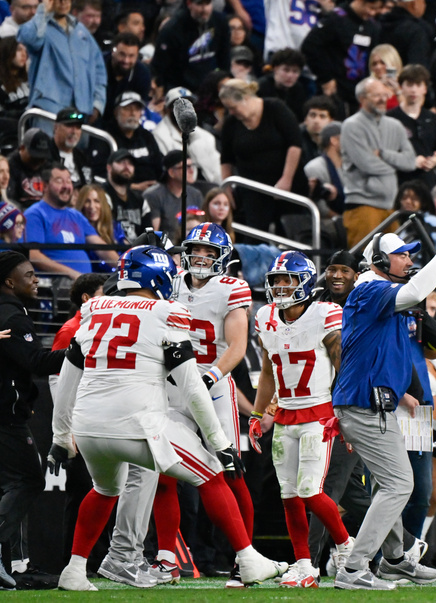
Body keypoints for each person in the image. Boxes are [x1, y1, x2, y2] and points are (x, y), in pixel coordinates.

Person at [48, 245, 288, 591]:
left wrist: (60, 436)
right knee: (212, 474)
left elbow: (69, 371)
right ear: (158, 276)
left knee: (104, 489)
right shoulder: (166, 311)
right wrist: (219, 443)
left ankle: (74, 569)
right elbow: (191, 386)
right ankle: (249, 560)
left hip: (88, 426)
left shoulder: (93, 308)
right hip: (139, 424)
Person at [331, 229, 436, 589]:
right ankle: (354, 568)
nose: (410, 261)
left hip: (376, 405)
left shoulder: (385, 295)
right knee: (401, 484)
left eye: (412, 255)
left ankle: (395, 559)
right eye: (403, 255)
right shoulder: (369, 289)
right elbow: (414, 292)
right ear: (380, 261)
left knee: (392, 484)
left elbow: (413, 347)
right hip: (362, 406)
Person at [248, 251, 354, 588]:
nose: (280, 286)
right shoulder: (265, 316)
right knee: (288, 494)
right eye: (276, 280)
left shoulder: (325, 313)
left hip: (319, 413)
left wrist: (344, 412)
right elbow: (267, 370)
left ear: (305, 282)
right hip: (285, 416)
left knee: (310, 490)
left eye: (287, 279)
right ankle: (304, 564)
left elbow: (343, 365)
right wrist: (256, 412)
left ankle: (345, 545)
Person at [0, 252, 54, 588]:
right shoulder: (11, 315)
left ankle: (15, 565)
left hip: (10, 411)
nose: (36, 280)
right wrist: (79, 354)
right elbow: (34, 360)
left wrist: (28, 399)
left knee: (13, 484)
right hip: (5, 417)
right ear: (9, 281)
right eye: (30, 275)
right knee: (28, 480)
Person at [219, 79, 303, 233]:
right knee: (256, 233)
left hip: (286, 184)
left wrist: (286, 179)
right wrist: (227, 188)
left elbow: (295, 144)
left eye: (233, 107)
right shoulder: (231, 123)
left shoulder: (275, 108)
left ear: (245, 99)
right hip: (252, 189)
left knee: (290, 232)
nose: (231, 112)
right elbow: (226, 159)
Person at [340, 77, 417, 245]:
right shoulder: (351, 126)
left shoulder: (395, 125)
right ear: (362, 98)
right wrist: (396, 166)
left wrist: (383, 154)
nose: (383, 99)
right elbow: (367, 164)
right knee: (363, 262)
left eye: (385, 95)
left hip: (391, 207)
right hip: (362, 206)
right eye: (376, 95)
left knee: (393, 264)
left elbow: (410, 162)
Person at [19, 0, 106, 119]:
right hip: (48, 110)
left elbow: (99, 70)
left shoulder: (81, 31)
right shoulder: (41, 27)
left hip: (81, 110)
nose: (64, 2)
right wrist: (43, 9)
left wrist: (97, 104)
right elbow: (29, 39)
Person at [301, 0, 385, 111]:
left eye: (376, 10)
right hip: (335, 93)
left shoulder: (373, 27)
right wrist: (325, 78)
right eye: (371, 8)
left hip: (359, 94)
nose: (372, 13)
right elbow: (310, 46)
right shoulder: (335, 19)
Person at [24, 166, 118, 278]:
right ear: (45, 186)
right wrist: (72, 274)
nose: (66, 186)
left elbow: (102, 249)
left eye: (69, 181)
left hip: (83, 285)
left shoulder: (76, 215)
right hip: (55, 287)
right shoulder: (35, 214)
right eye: (59, 181)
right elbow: (33, 256)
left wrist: (125, 268)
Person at [150, 0, 230, 93]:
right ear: (189, 3)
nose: (204, 9)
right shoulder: (173, 29)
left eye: (207, 3)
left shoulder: (220, 22)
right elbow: (160, 66)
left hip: (211, 88)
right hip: (181, 89)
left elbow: (225, 58)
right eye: (200, 4)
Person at [389, 64, 436, 188]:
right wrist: (410, 162)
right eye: (409, 85)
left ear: (425, 88)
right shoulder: (390, 118)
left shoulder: (432, 118)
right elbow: (384, 153)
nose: (414, 90)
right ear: (401, 87)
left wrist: (434, 161)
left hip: (428, 184)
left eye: (418, 85)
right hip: (400, 183)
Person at [152, 86, 220, 184]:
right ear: (169, 109)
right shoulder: (159, 136)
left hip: (210, 187)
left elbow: (217, 169)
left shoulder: (206, 136)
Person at [106, 91, 164, 187]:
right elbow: (101, 173)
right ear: (116, 113)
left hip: (153, 191)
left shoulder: (146, 136)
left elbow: (159, 165)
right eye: (127, 109)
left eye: (137, 109)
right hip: (122, 192)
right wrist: (134, 187)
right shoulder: (107, 137)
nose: (132, 113)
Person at [380, 0, 433, 68]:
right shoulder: (416, 31)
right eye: (423, 0)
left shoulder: (381, 24)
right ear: (414, 4)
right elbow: (418, 67)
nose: (425, 5)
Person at [103, 149, 150, 242]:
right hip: (114, 248)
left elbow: (149, 233)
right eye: (121, 162)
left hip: (137, 252)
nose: (126, 166)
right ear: (109, 168)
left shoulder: (140, 200)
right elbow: (106, 231)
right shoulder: (102, 195)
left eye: (130, 163)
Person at [103, 33, 151, 125]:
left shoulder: (142, 74)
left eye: (131, 56)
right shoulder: (99, 65)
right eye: (122, 54)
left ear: (137, 56)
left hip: (123, 124)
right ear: (113, 51)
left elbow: (140, 107)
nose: (126, 60)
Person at [257, 48, 309, 121]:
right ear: (275, 69)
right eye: (286, 70)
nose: (290, 75)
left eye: (295, 71)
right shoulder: (261, 87)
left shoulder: (298, 90)